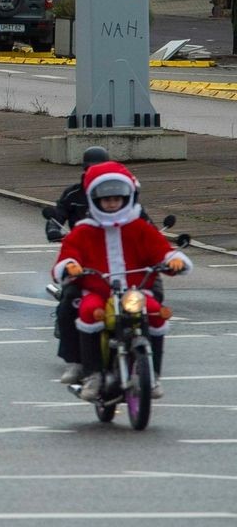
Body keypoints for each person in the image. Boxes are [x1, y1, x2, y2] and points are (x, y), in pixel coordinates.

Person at [53, 162, 190, 402]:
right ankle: (93, 374)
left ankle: (153, 375)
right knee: (87, 311)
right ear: (95, 200)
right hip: (97, 291)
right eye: (106, 200)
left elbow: (160, 250)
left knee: (157, 312)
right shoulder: (84, 230)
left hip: (136, 292)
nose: (112, 203)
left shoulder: (140, 227)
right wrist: (71, 265)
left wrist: (173, 260)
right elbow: (68, 253)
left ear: (127, 196)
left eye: (117, 198)